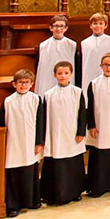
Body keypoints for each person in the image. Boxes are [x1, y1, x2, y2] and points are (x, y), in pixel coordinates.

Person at [0, 69, 43, 217]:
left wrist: (38, 142)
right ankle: (13, 205)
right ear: (14, 84)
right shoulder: (8, 101)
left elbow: (40, 122)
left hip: (30, 141)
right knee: (14, 171)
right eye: (20, 83)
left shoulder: (36, 99)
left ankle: (32, 200)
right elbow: (0, 123)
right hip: (13, 141)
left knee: (30, 170)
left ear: (32, 84)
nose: (23, 85)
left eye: (26, 82)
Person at [40, 61, 87, 205]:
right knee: (56, 162)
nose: (63, 76)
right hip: (55, 134)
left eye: (66, 73)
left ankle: (75, 192)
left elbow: (82, 114)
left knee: (73, 161)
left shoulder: (77, 92)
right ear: (55, 75)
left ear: (71, 74)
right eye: (60, 73)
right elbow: (44, 117)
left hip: (72, 133)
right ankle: (54, 193)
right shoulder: (48, 95)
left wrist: (81, 132)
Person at [85, 53, 110, 197]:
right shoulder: (94, 83)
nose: (108, 68)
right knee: (99, 154)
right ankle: (98, 186)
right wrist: (91, 125)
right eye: (105, 65)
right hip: (99, 124)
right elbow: (90, 106)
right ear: (101, 66)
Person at [36, 15, 77, 97]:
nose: (59, 29)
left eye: (62, 26)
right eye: (56, 26)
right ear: (51, 28)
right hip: (48, 78)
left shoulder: (72, 45)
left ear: (66, 28)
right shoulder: (43, 46)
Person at [80, 13, 110, 99]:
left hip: (108, 74)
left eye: (101, 23)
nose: (98, 26)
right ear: (90, 25)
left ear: (106, 25)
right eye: (95, 23)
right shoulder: (84, 43)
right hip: (89, 75)